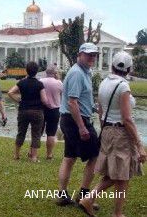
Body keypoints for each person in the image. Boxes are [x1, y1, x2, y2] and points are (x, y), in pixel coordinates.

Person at [79, 51, 147, 217]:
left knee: (113, 173)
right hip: (120, 133)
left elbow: (101, 112)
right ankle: (115, 212)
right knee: (122, 176)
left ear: (111, 66)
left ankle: (90, 198)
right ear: (129, 69)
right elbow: (127, 119)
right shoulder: (123, 86)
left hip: (108, 130)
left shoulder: (104, 83)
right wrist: (139, 144)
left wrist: (106, 130)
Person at [57, 43, 100, 206]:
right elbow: (72, 102)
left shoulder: (85, 72)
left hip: (71, 119)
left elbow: (81, 99)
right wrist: (82, 127)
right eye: (88, 54)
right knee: (95, 155)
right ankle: (84, 195)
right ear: (80, 54)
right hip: (75, 120)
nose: (92, 58)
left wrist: (94, 108)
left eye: (94, 55)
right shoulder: (77, 73)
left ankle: (63, 194)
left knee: (69, 157)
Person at [8, 61, 49, 162]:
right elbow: (44, 100)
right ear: (36, 71)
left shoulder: (22, 82)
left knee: (21, 132)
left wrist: (19, 100)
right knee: (36, 134)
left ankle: (16, 155)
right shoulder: (40, 84)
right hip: (37, 111)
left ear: (26, 70)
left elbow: (10, 92)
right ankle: (34, 157)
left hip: (23, 110)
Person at [40, 65, 63, 160]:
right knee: (51, 133)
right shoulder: (59, 83)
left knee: (37, 131)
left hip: (42, 108)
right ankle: (49, 154)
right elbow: (63, 94)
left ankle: (31, 151)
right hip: (54, 110)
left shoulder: (40, 81)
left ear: (46, 72)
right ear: (55, 73)